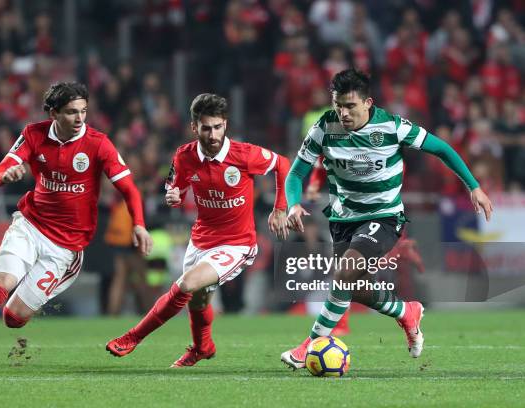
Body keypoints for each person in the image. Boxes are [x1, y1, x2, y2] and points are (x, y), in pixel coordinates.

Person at [281, 68, 493, 370]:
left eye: (350, 106)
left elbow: (442, 149)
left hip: (385, 217)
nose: (343, 112)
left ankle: (308, 346)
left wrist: (474, 186)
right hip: (343, 219)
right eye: (338, 105)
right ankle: (406, 312)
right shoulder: (323, 127)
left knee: (344, 274)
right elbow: (296, 172)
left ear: (368, 102)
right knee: (354, 286)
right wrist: (292, 205)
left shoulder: (393, 127)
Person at [0, 82, 153, 373]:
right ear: (53, 113)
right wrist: (5, 175)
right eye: (72, 112)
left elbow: (129, 189)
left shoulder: (99, 143)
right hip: (30, 225)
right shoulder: (33, 134)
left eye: (83, 111)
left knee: (13, 318)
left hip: (65, 248)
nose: (79, 119)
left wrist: (139, 224)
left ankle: (25, 304)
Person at [106, 93, 290, 367]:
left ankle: (133, 337)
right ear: (195, 127)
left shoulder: (244, 154)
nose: (213, 134)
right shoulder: (184, 156)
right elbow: (174, 186)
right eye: (206, 128)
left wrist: (280, 207)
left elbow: (283, 164)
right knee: (199, 299)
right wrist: (173, 195)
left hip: (236, 244)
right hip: (201, 240)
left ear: (225, 124)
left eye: (218, 127)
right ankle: (203, 347)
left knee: (187, 285)